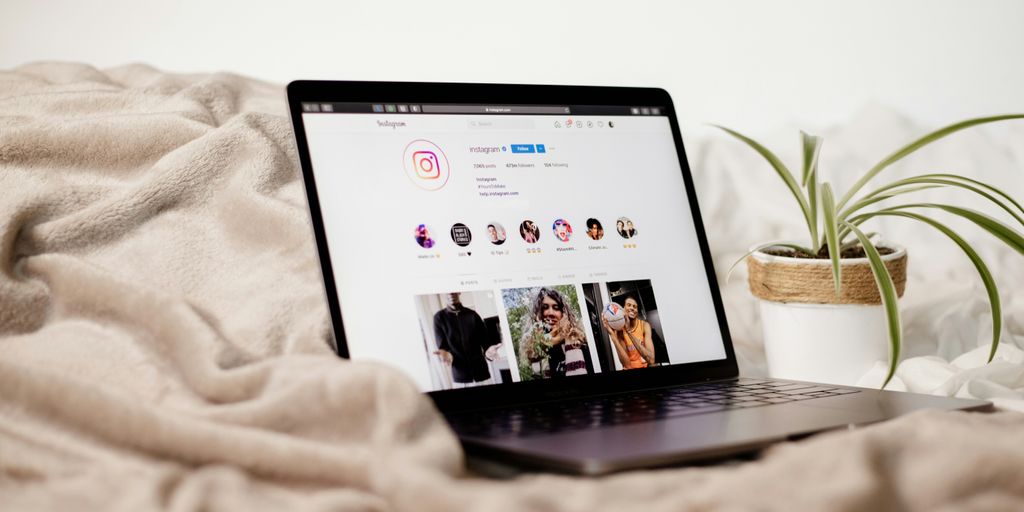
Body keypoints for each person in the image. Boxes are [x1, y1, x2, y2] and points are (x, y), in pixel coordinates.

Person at [433, 292, 502, 388]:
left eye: (452, 289)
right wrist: (446, 354)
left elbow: (486, 343)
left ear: (458, 291)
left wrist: (488, 352)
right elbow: (442, 347)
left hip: (482, 375)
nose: (450, 293)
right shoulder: (439, 318)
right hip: (460, 379)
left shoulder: (473, 315)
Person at [520, 287, 591, 378]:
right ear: (538, 314)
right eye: (545, 308)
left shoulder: (578, 341)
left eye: (556, 308)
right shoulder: (535, 349)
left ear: (564, 313)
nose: (551, 313)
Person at [602, 296, 655, 370]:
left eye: (635, 306)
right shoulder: (620, 330)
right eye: (629, 305)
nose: (632, 308)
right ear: (623, 309)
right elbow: (627, 365)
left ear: (637, 310)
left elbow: (651, 360)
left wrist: (628, 331)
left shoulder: (645, 325)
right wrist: (613, 337)